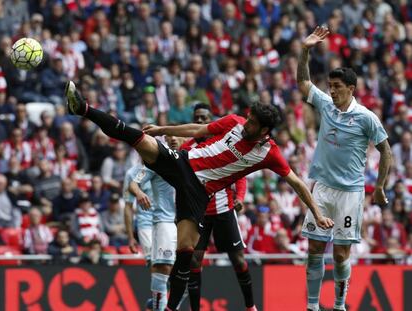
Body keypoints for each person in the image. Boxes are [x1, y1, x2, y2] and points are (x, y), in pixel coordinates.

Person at [65, 80, 333, 311]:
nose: (246, 122)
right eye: (248, 117)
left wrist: (318, 214)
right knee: (137, 137)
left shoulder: (269, 153)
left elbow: (297, 183)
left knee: (186, 255)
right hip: (184, 163)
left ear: (264, 130)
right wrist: (162, 130)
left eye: (252, 122)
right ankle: (83, 108)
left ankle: (171, 307)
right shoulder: (235, 122)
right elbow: (198, 130)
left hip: (199, 193)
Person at [296, 26, 392, 311]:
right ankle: (312, 306)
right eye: (331, 85)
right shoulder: (325, 105)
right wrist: (305, 50)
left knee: (340, 254)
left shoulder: (367, 118)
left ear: (351, 89)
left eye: (337, 87)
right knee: (314, 249)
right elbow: (303, 84)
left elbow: (385, 150)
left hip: (350, 193)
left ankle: (339, 305)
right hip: (323, 189)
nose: (332, 90)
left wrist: (380, 187)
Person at [179, 103, 256, 311]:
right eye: (197, 118)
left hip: (223, 209)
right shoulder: (186, 148)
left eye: (205, 118)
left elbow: (239, 173)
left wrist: (239, 197)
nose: (201, 122)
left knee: (238, 260)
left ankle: (250, 306)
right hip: (199, 213)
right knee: (195, 261)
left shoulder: (223, 142)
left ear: (212, 120)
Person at [124, 155, 177, 311]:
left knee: (171, 266)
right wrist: (130, 237)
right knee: (157, 264)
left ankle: (159, 303)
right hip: (146, 224)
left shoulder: (164, 165)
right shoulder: (131, 174)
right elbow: (128, 206)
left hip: (168, 221)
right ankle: (157, 305)